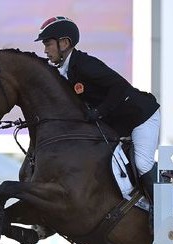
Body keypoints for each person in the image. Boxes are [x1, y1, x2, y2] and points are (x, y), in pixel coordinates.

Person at [35, 16, 161, 202]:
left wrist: (99, 112)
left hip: (141, 117)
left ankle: (157, 210)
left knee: (142, 164)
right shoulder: (64, 70)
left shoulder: (85, 65)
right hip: (117, 124)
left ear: (64, 43)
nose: (45, 50)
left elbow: (120, 87)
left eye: (48, 44)